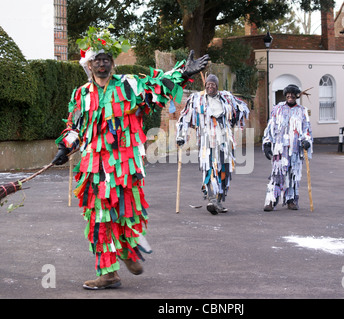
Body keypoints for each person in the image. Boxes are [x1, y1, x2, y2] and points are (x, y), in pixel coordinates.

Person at [52, 26, 209, 289]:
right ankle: (108, 273)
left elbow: (157, 85)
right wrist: (64, 147)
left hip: (124, 165)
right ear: (89, 65)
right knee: (99, 218)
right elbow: (75, 127)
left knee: (127, 214)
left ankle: (128, 253)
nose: (102, 64)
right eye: (97, 60)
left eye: (106, 59)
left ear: (112, 63)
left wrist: (183, 73)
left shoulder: (128, 85)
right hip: (93, 167)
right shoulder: (80, 94)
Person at [176, 74, 249, 215]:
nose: (210, 86)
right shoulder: (196, 99)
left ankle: (219, 200)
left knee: (224, 170)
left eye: (213, 84)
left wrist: (235, 118)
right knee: (209, 169)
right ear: (205, 85)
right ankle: (211, 199)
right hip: (207, 141)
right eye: (208, 84)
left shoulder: (226, 97)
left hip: (225, 140)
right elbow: (184, 118)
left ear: (217, 86)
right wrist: (181, 136)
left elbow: (243, 108)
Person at [262, 84, 312, 211]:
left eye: (292, 94)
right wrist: (267, 143)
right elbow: (271, 127)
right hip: (280, 149)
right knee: (276, 175)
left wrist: (306, 141)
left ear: (296, 96)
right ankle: (271, 201)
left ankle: (291, 200)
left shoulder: (302, 111)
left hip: (295, 149)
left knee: (293, 175)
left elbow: (306, 129)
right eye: (287, 94)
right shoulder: (277, 109)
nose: (290, 96)